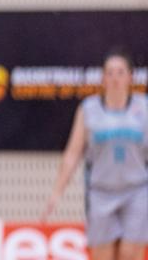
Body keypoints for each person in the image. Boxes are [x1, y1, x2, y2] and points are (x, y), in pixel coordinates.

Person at [43, 49, 148, 260]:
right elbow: (73, 153)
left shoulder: (143, 107)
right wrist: (57, 191)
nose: (115, 78)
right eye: (109, 73)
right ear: (102, 77)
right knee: (102, 254)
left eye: (120, 72)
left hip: (137, 190)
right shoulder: (89, 109)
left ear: (130, 76)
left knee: (131, 253)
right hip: (101, 192)